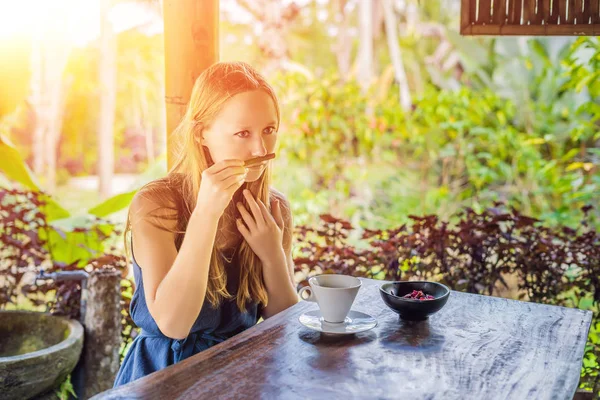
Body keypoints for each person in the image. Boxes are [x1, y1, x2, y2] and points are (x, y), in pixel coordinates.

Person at [113, 62, 298, 387]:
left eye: (269, 130)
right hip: (163, 377)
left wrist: (272, 257)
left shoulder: (274, 207)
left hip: (241, 375)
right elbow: (174, 323)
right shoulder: (156, 205)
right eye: (243, 133)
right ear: (202, 134)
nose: (261, 149)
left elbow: (283, 322)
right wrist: (206, 214)